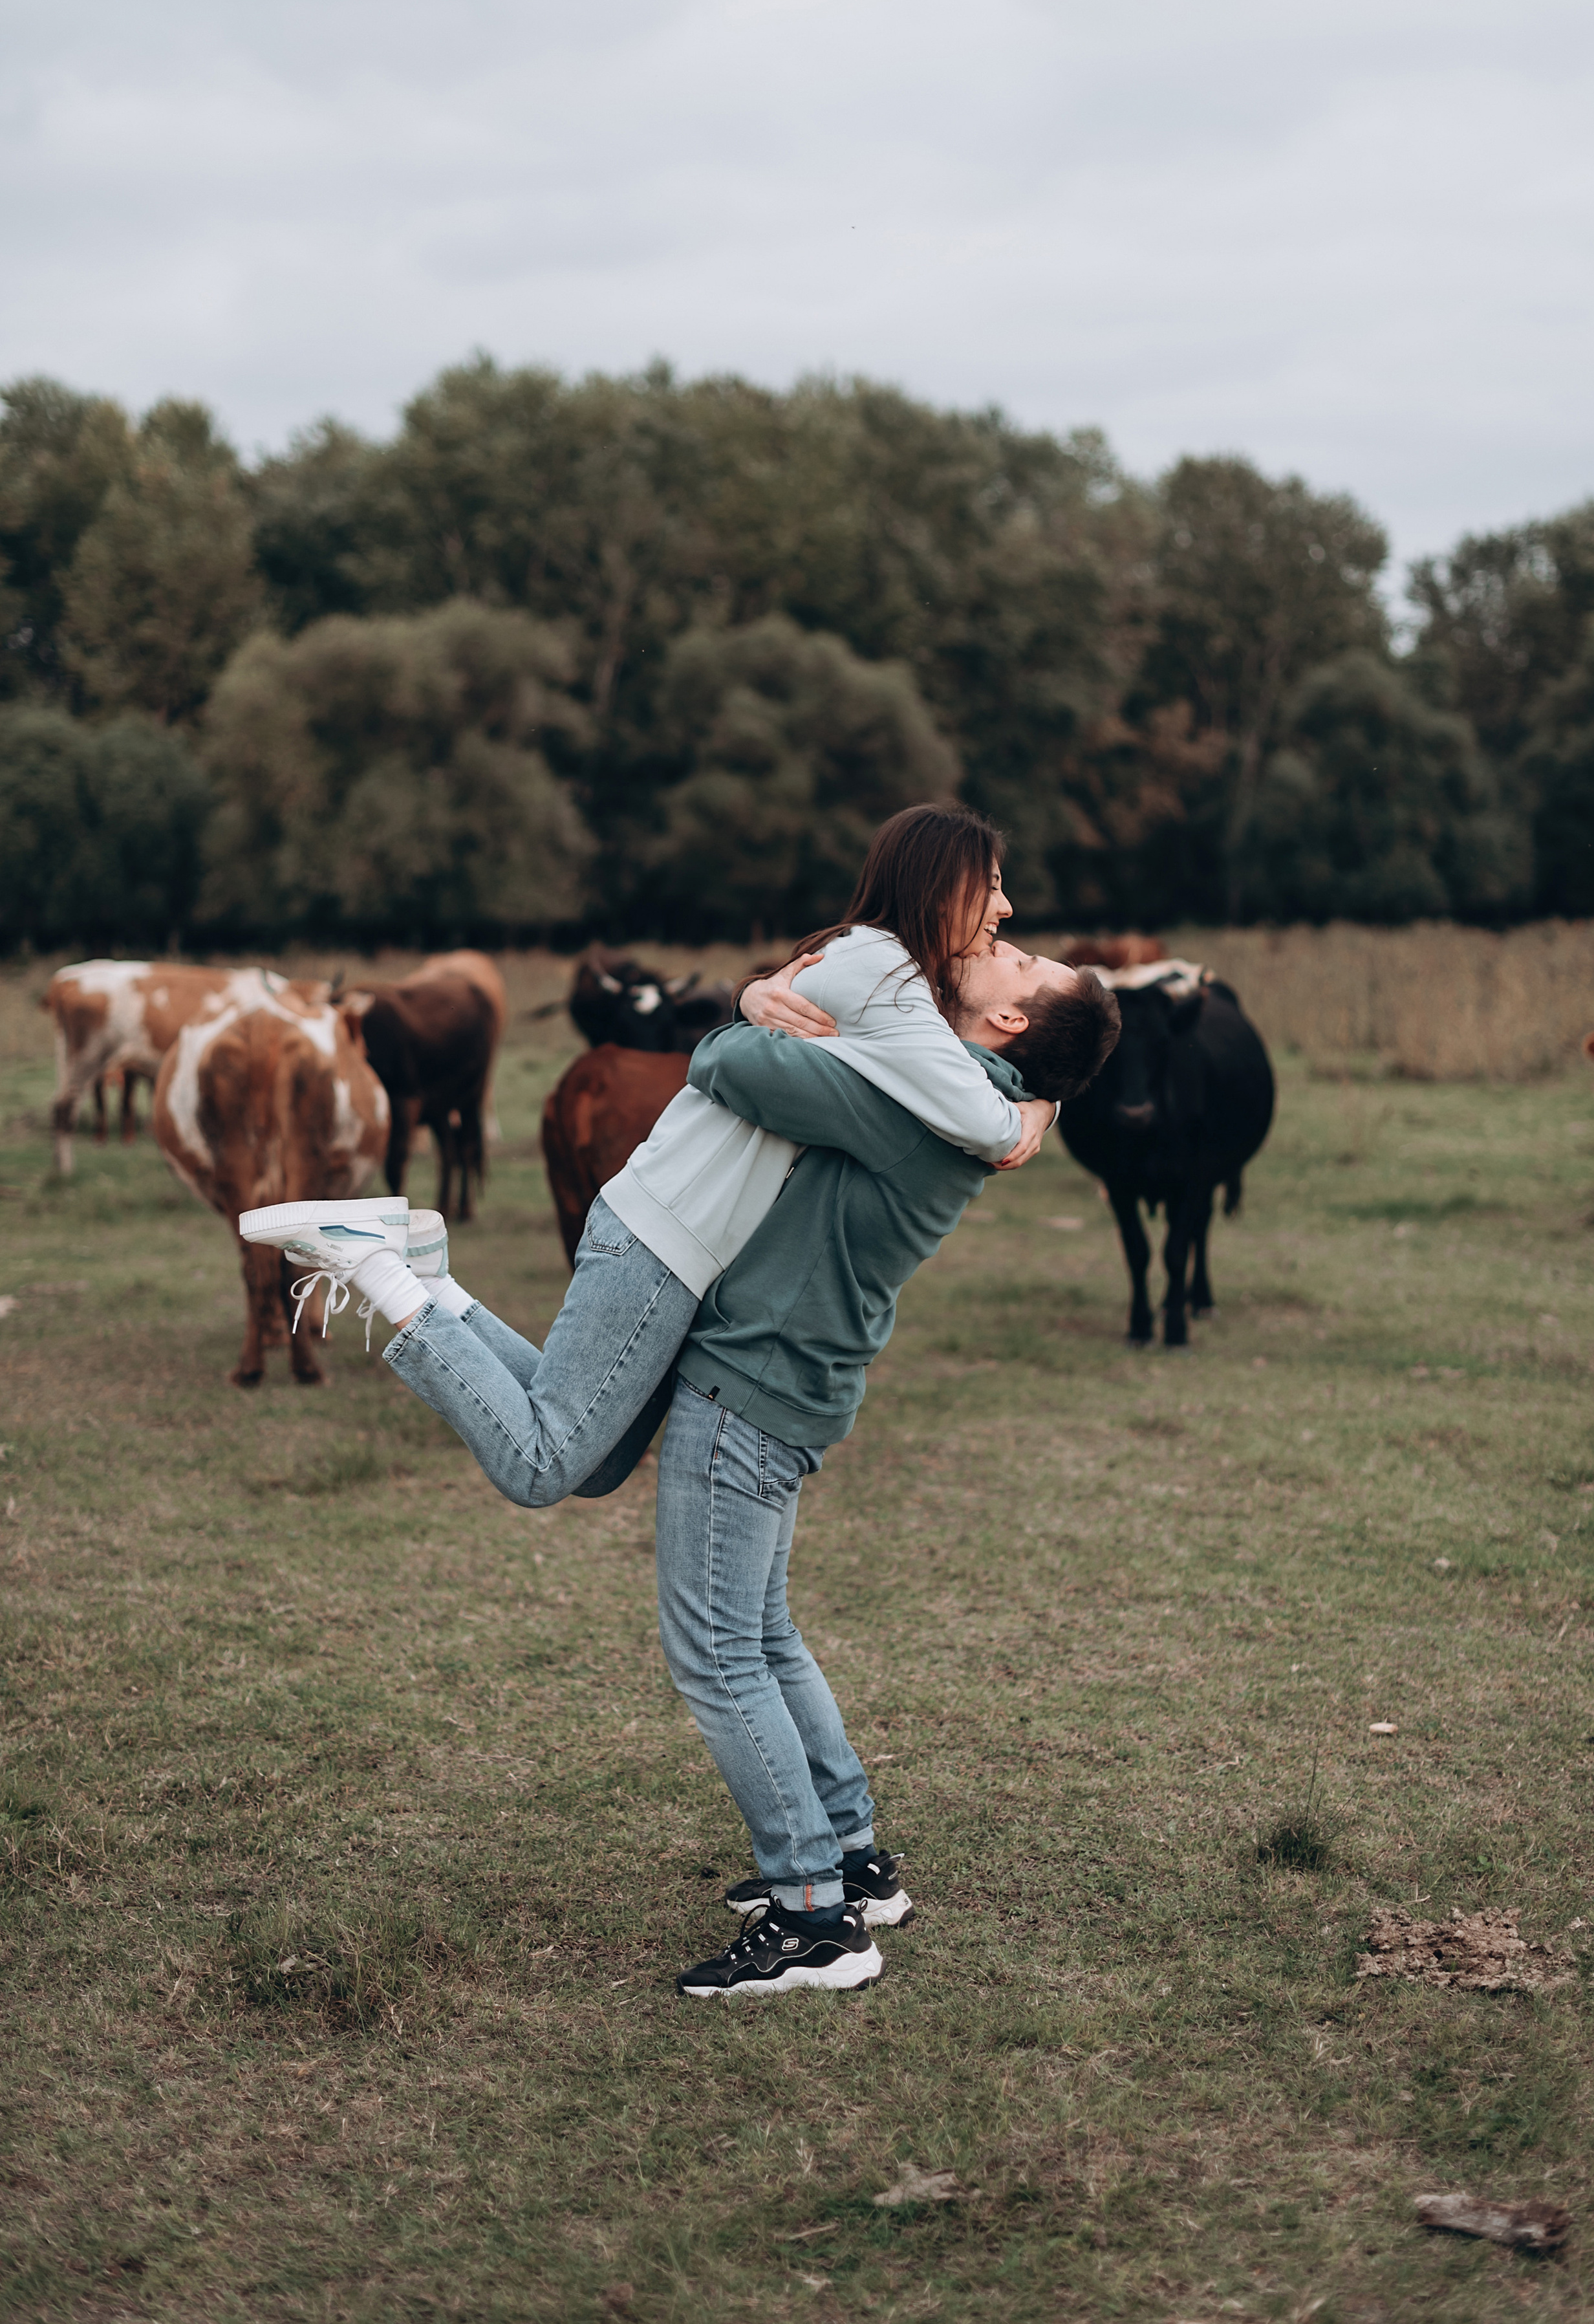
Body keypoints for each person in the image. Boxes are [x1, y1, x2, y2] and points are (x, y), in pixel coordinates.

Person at [240, 808, 1051, 1530]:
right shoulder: (888, 979)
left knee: (596, 1464)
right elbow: (987, 1123)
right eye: (991, 886)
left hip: (675, 1236)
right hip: (665, 1233)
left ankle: (430, 1280)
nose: (1006, 908)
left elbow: (1021, 1050)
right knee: (541, 1468)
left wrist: (1051, 1093)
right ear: (938, 887)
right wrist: (1040, 1108)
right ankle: (379, 1271)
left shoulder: (876, 972)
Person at [656, 940, 1117, 1995]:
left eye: (1022, 959)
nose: (1002, 944)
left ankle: (817, 1917)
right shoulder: (976, 1107)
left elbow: (725, 1065)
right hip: (794, 1380)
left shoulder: (910, 1100)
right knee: (762, 1634)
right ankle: (856, 1860)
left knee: (720, 1658)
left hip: (754, 1384)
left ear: (1008, 1024)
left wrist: (753, 1005)